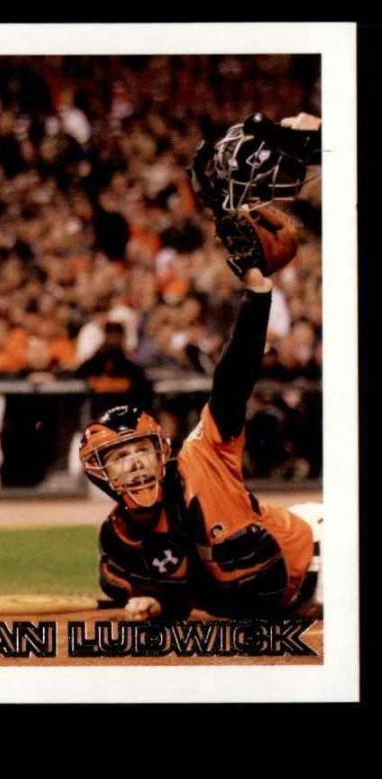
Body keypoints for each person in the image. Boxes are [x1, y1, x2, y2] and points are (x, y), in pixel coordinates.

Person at [78, 114, 322, 621]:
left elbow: (234, 380)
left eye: (140, 451)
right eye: (120, 457)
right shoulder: (119, 544)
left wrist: (257, 295)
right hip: (283, 600)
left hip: (323, 556)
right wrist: (153, 600)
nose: (135, 464)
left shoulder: (202, 456)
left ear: (161, 450)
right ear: (101, 474)